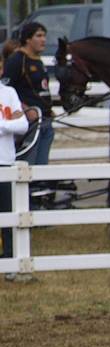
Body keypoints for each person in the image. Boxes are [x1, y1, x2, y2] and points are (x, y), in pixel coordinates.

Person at [2, 22, 53, 169]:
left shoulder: (38, 61)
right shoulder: (17, 60)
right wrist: (25, 109)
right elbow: (6, 90)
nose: (43, 40)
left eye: (44, 36)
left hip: (45, 120)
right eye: (39, 36)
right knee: (28, 165)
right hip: (29, 125)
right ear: (27, 39)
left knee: (42, 166)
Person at [0, 59, 27, 261]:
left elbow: (23, 125)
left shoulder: (9, 93)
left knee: (8, 214)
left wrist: (2, 125)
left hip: (6, 161)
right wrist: (10, 122)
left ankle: (9, 257)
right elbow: (15, 123)